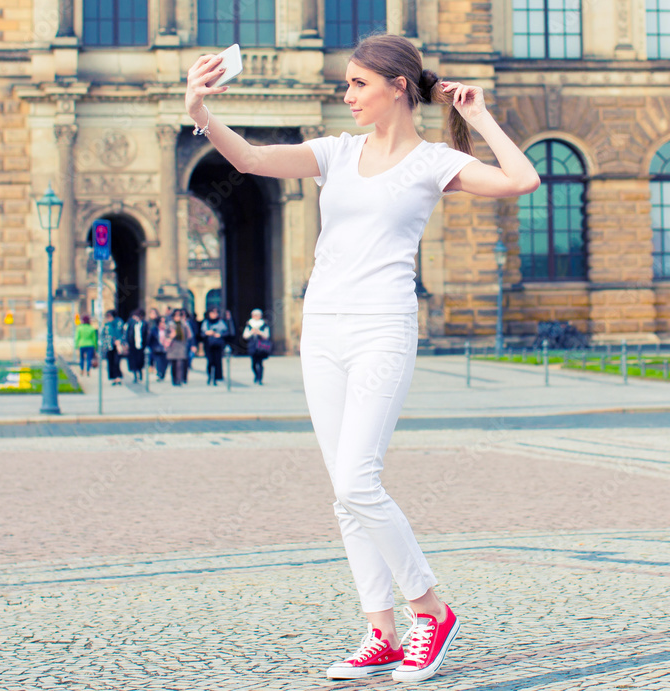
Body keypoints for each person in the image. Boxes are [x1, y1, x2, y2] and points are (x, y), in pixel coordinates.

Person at [186, 33, 539, 683]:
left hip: (382, 326)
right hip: (321, 328)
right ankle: (381, 631)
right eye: (347, 83)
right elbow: (255, 159)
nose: (346, 94)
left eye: (358, 84)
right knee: (344, 496)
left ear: (398, 87)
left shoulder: (433, 161)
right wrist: (202, 113)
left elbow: (523, 179)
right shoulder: (336, 152)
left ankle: (430, 611)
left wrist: (477, 113)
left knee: (358, 478)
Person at [161, 308, 195, 386]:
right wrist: (171, 336)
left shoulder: (184, 325)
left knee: (180, 364)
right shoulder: (170, 325)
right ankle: (174, 380)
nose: (178, 317)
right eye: (176, 316)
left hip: (181, 346)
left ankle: (179, 380)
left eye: (179, 316)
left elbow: (190, 336)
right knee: (173, 364)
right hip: (172, 346)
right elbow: (165, 336)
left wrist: (192, 345)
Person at [201, 307, 229, 385]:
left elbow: (227, 332)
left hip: (218, 344)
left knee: (217, 361)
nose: (214, 315)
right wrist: (207, 333)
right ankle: (210, 376)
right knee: (210, 361)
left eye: (215, 313)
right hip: (209, 345)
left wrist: (219, 335)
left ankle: (217, 377)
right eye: (212, 313)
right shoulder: (206, 322)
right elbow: (202, 333)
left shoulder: (221, 322)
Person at [242, 309, 271, 385]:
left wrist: (259, 333)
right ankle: (256, 375)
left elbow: (267, 336)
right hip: (252, 346)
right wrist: (252, 332)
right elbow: (245, 336)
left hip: (261, 346)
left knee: (260, 363)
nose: (256, 316)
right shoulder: (249, 324)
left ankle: (260, 378)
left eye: (258, 315)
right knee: (253, 364)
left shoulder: (264, 324)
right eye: (255, 315)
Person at [101, 310, 125, 386]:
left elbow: (123, 334)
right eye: (108, 316)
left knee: (116, 362)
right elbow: (103, 334)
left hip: (118, 346)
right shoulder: (107, 325)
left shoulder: (119, 323)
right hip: (109, 346)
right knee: (110, 362)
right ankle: (114, 378)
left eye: (110, 316)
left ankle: (118, 377)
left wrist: (120, 340)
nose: (109, 318)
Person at [125, 309, 149, 383]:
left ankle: (140, 372)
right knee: (133, 361)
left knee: (140, 360)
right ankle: (135, 375)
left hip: (141, 345)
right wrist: (127, 343)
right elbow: (127, 333)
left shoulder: (144, 324)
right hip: (132, 345)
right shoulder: (131, 323)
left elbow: (146, 335)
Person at [147, 307, 169, 381]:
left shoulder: (167, 329)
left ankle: (162, 374)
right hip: (157, 348)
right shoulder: (154, 329)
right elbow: (150, 339)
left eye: (164, 322)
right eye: (161, 322)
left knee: (165, 363)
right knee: (159, 362)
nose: (163, 323)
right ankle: (159, 374)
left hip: (166, 349)